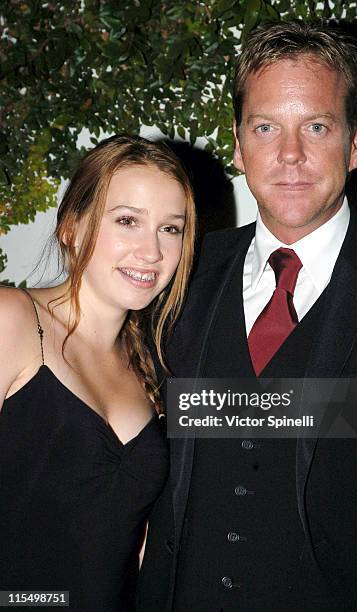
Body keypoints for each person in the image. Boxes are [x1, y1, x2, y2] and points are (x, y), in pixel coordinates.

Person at [137, 21, 357, 611]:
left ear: (356, 140)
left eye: (316, 126)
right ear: (239, 144)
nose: (290, 155)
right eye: (267, 128)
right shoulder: (174, 275)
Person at [0, 134, 196, 611]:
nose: (151, 251)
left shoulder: (151, 365)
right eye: (127, 221)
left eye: (171, 229)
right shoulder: (13, 321)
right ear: (72, 225)